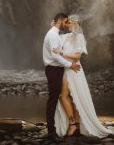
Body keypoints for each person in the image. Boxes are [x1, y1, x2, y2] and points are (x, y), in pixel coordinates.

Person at [53, 15, 114, 138]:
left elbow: (77, 56)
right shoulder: (65, 36)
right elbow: (54, 37)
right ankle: (72, 123)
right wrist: (54, 25)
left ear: (75, 24)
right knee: (64, 96)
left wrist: (62, 53)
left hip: (75, 69)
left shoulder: (80, 37)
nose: (66, 25)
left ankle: (74, 124)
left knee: (75, 97)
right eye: (66, 23)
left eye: (69, 23)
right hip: (65, 68)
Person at [43, 13, 81, 141]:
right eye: (65, 22)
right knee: (53, 100)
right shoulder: (53, 35)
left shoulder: (56, 34)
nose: (66, 24)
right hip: (54, 69)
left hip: (58, 70)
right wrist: (71, 65)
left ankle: (70, 125)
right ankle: (51, 132)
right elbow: (55, 57)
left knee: (60, 98)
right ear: (60, 21)